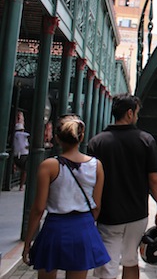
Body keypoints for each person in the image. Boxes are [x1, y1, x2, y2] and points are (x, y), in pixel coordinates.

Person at [88, 94, 157, 279]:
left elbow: (91, 181)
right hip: (137, 214)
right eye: (137, 113)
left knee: (108, 264)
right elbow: (154, 179)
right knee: (131, 261)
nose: (137, 118)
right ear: (129, 113)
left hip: (108, 215)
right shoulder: (146, 140)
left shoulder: (97, 142)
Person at [22, 115, 110, 278]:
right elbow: (97, 205)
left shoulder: (49, 166)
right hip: (83, 227)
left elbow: (38, 208)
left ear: (57, 138)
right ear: (81, 137)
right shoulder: (95, 165)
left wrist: (28, 242)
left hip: (54, 228)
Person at [13, 122, 30, 191]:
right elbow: (28, 135)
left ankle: (21, 185)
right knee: (24, 171)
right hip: (23, 154)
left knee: (22, 170)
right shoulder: (19, 134)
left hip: (17, 154)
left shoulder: (16, 136)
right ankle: (21, 186)